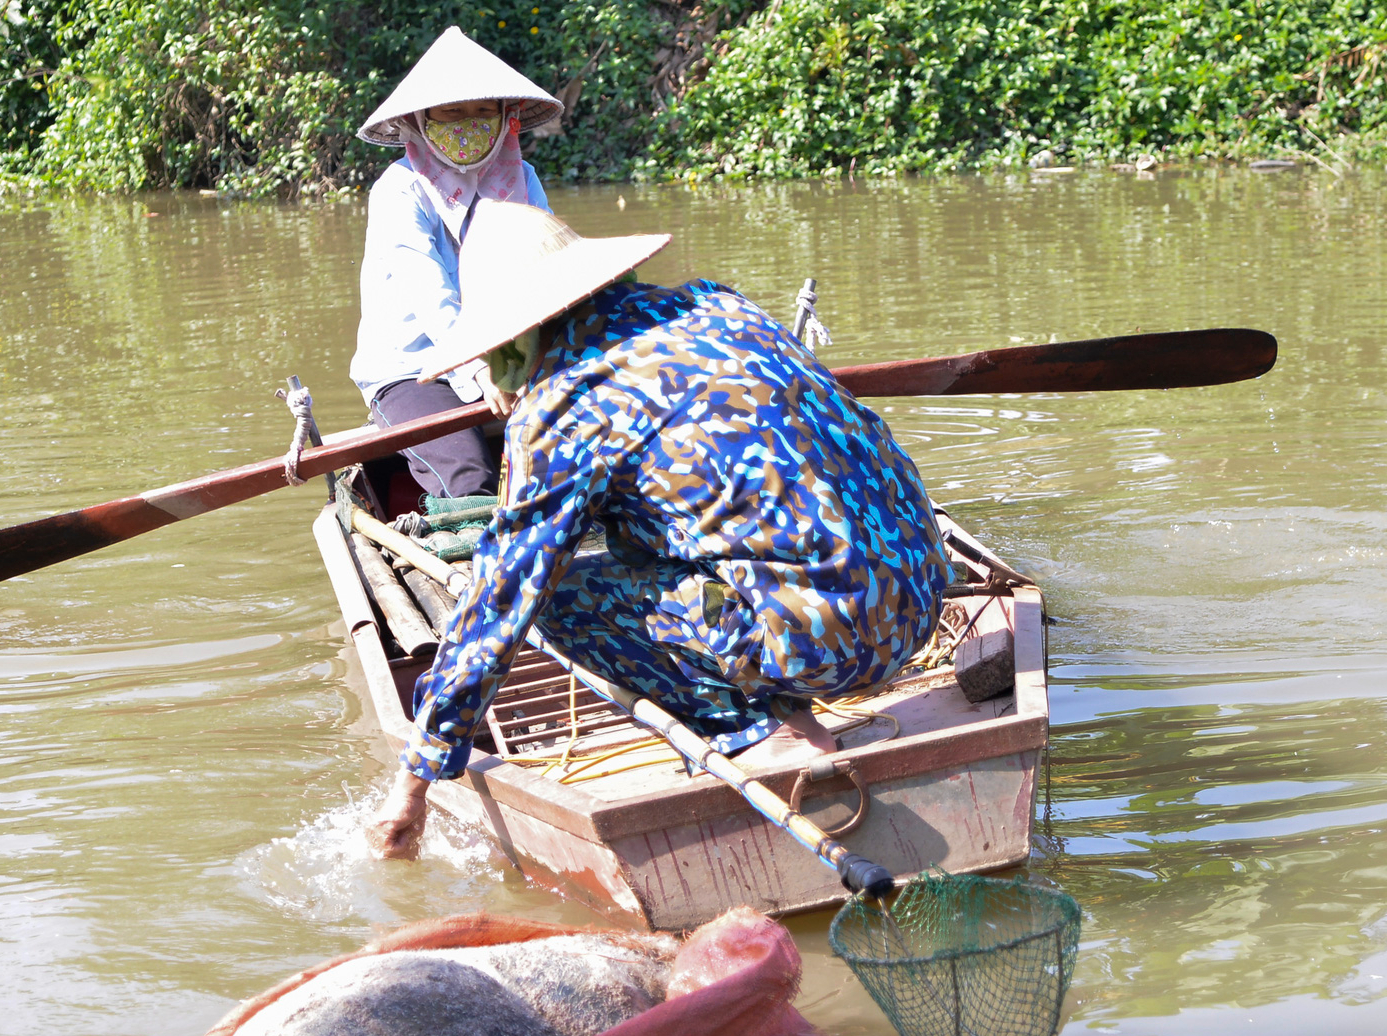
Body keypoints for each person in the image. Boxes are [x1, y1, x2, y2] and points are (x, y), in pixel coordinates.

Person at [365, 202, 953, 859]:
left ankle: (763, 729)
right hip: (924, 589)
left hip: (834, 646)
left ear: (515, 333)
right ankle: (777, 685)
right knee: (651, 522)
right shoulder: (716, 305)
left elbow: (503, 598)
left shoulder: (562, 404)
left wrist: (417, 776)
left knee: (555, 601)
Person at [350, 26, 564, 501]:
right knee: (470, 480)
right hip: (415, 367)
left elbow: (551, 265)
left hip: (512, 353)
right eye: (451, 112)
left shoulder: (521, 177)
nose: (469, 122)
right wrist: (477, 369)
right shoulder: (399, 190)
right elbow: (428, 293)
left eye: (484, 111)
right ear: (421, 119)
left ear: (505, 115)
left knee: (586, 444)